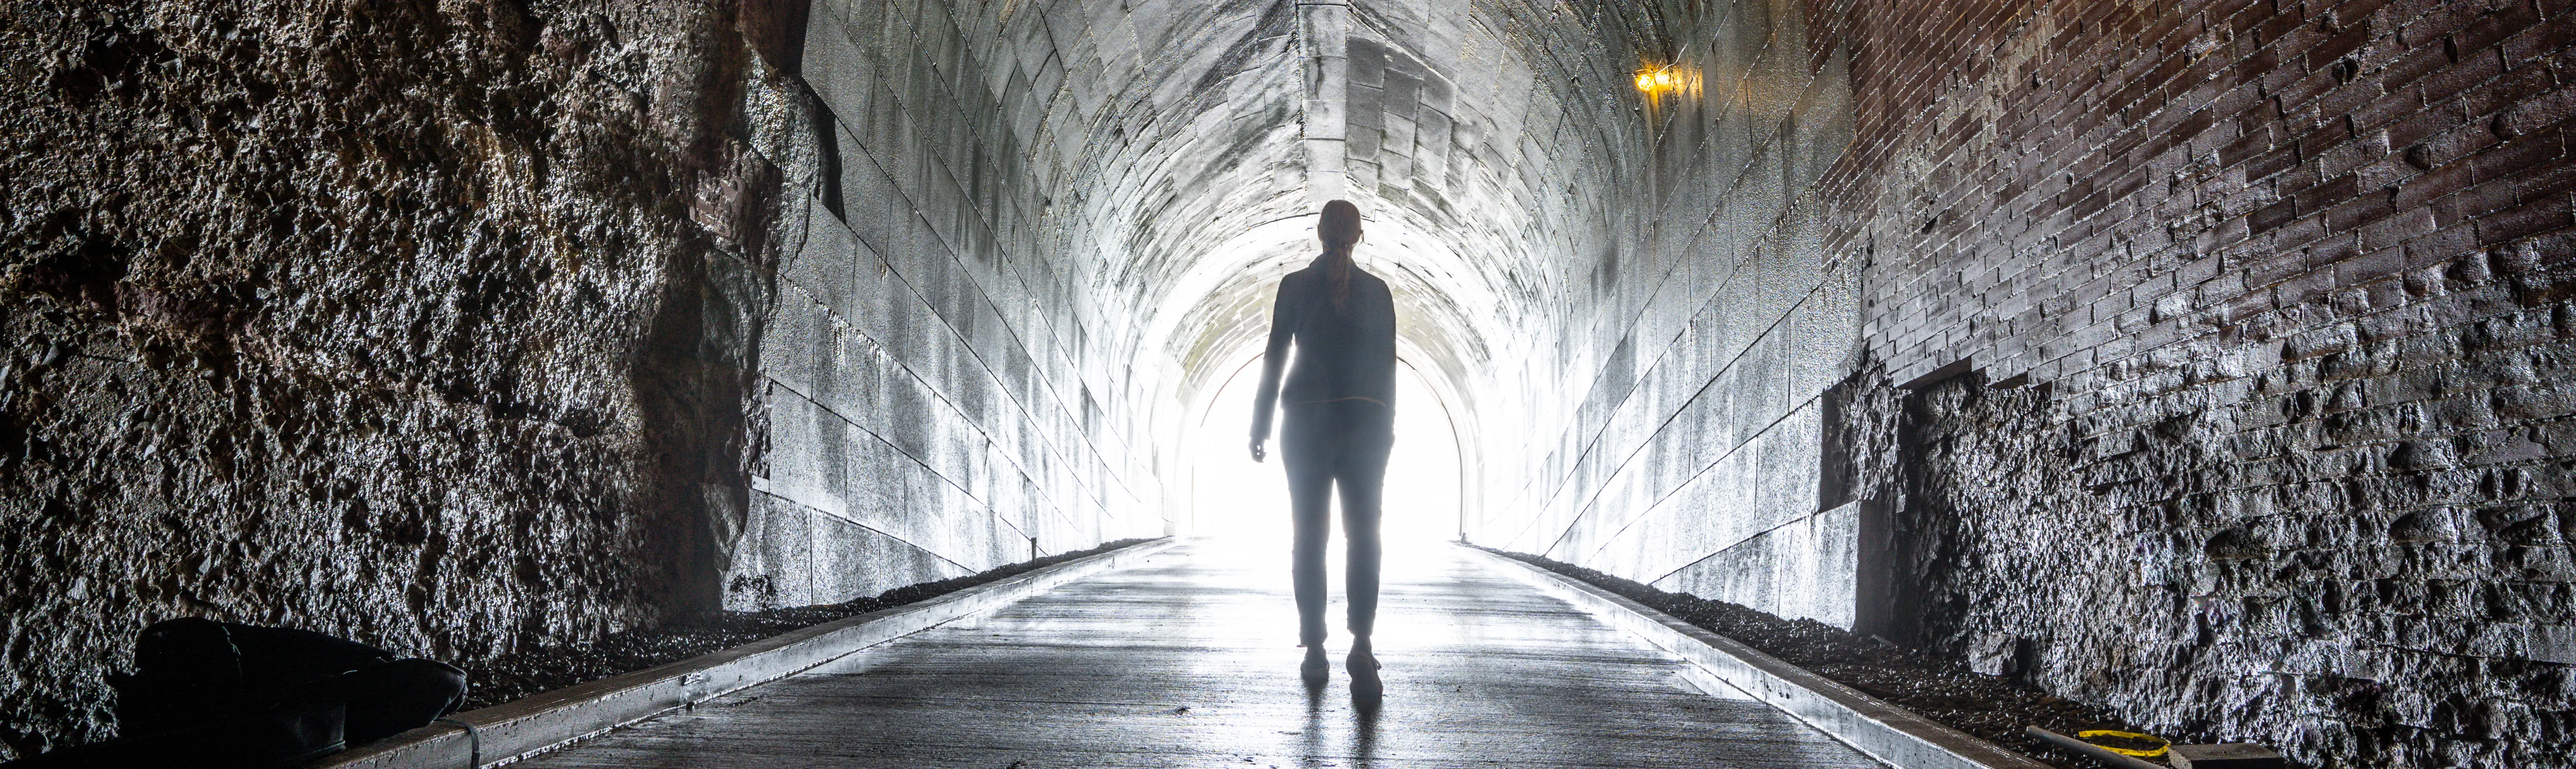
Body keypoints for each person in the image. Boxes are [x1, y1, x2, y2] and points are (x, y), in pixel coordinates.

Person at [1249, 199, 1397, 698]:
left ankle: (1315, 649)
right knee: (1363, 535)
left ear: (1318, 235)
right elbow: (1386, 367)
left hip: (1307, 422)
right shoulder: (1377, 291)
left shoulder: (1294, 286)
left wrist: (1261, 422)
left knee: (1310, 535)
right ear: (1358, 237)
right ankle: (1362, 640)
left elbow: (1275, 356)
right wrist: (1387, 427)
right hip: (1364, 422)